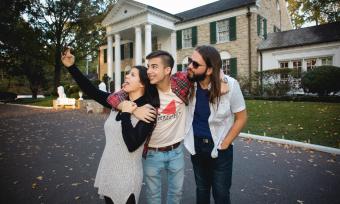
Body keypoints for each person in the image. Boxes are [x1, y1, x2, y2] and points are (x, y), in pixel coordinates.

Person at [61, 49, 159, 204]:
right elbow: (91, 91)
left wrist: (127, 113)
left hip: (127, 174)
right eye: (127, 73)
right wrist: (71, 67)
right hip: (108, 168)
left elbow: (132, 144)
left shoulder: (148, 111)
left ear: (142, 84)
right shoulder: (117, 102)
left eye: (132, 75)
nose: (126, 76)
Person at [107, 50, 193, 204]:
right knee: (153, 196)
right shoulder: (148, 92)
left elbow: (201, 71)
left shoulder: (180, 84)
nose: (149, 71)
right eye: (148, 67)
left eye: (154, 67)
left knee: (176, 193)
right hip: (152, 154)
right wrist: (133, 108)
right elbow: (114, 97)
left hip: (176, 151)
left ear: (167, 70)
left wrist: (223, 79)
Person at [184, 45, 248, 204]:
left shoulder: (231, 85)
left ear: (210, 70)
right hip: (197, 147)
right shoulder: (188, 83)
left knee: (221, 194)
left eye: (195, 64)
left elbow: (241, 117)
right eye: (190, 61)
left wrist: (225, 143)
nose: (190, 66)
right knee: (202, 190)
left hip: (220, 147)